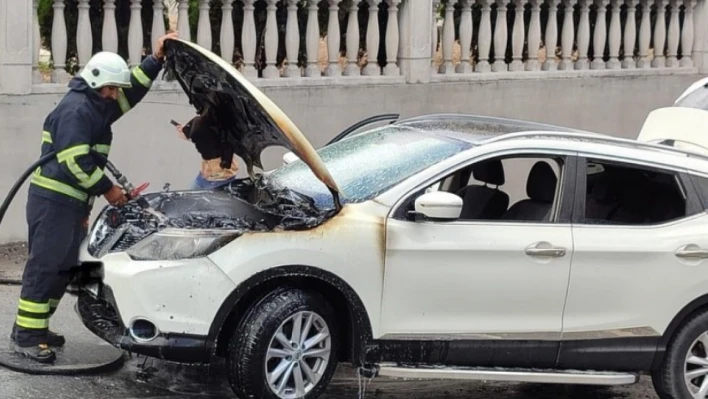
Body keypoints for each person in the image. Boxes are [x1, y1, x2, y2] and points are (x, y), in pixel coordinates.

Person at [11, 31, 179, 363]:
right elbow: (76, 162)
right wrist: (109, 191)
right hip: (53, 202)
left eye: (117, 89)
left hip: (71, 204)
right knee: (45, 266)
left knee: (68, 266)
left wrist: (156, 59)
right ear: (97, 83)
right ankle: (26, 335)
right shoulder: (77, 111)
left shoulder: (97, 105)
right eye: (112, 88)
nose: (116, 94)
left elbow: (132, 92)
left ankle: (36, 328)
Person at [174, 101, 240, 190]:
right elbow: (194, 137)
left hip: (221, 177)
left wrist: (186, 131)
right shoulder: (199, 122)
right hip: (205, 175)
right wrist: (185, 130)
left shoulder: (223, 127)